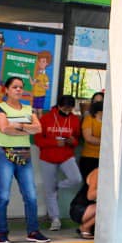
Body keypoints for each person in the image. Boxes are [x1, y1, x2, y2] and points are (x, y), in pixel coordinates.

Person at [0, 76, 46, 243]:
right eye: (14, 87)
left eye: (21, 87)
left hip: (25, 155)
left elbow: (38, 128)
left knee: (31, 195)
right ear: (6, 90)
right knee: (3, 196)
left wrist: (18, 126)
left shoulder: (28, 108)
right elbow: (4, 128)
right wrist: (25, 127)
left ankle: (33, 231)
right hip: (4, 154)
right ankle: (1, 232)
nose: (18, 90)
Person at [34, 94, 83, 231]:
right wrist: (55, 142)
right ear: (59, 106)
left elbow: (76, 138)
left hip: (66, 155)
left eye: (70, 109)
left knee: (76, 179)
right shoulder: (47, 118)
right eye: (65, 108)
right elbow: (38, 140)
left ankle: (56, 185)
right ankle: (55, 219)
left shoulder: (74, 119)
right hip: (47, 157)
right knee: (50, 192)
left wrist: (71, 141)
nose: (67, 111)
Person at [79, 92, 104, 180]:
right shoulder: (88, 117)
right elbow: (88, 138)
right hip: (90, 157)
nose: (97, 104)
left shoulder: (110, 119)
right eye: (95, 101)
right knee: (89, 187)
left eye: (100, 101)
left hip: (105, 158)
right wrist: (105, 141)